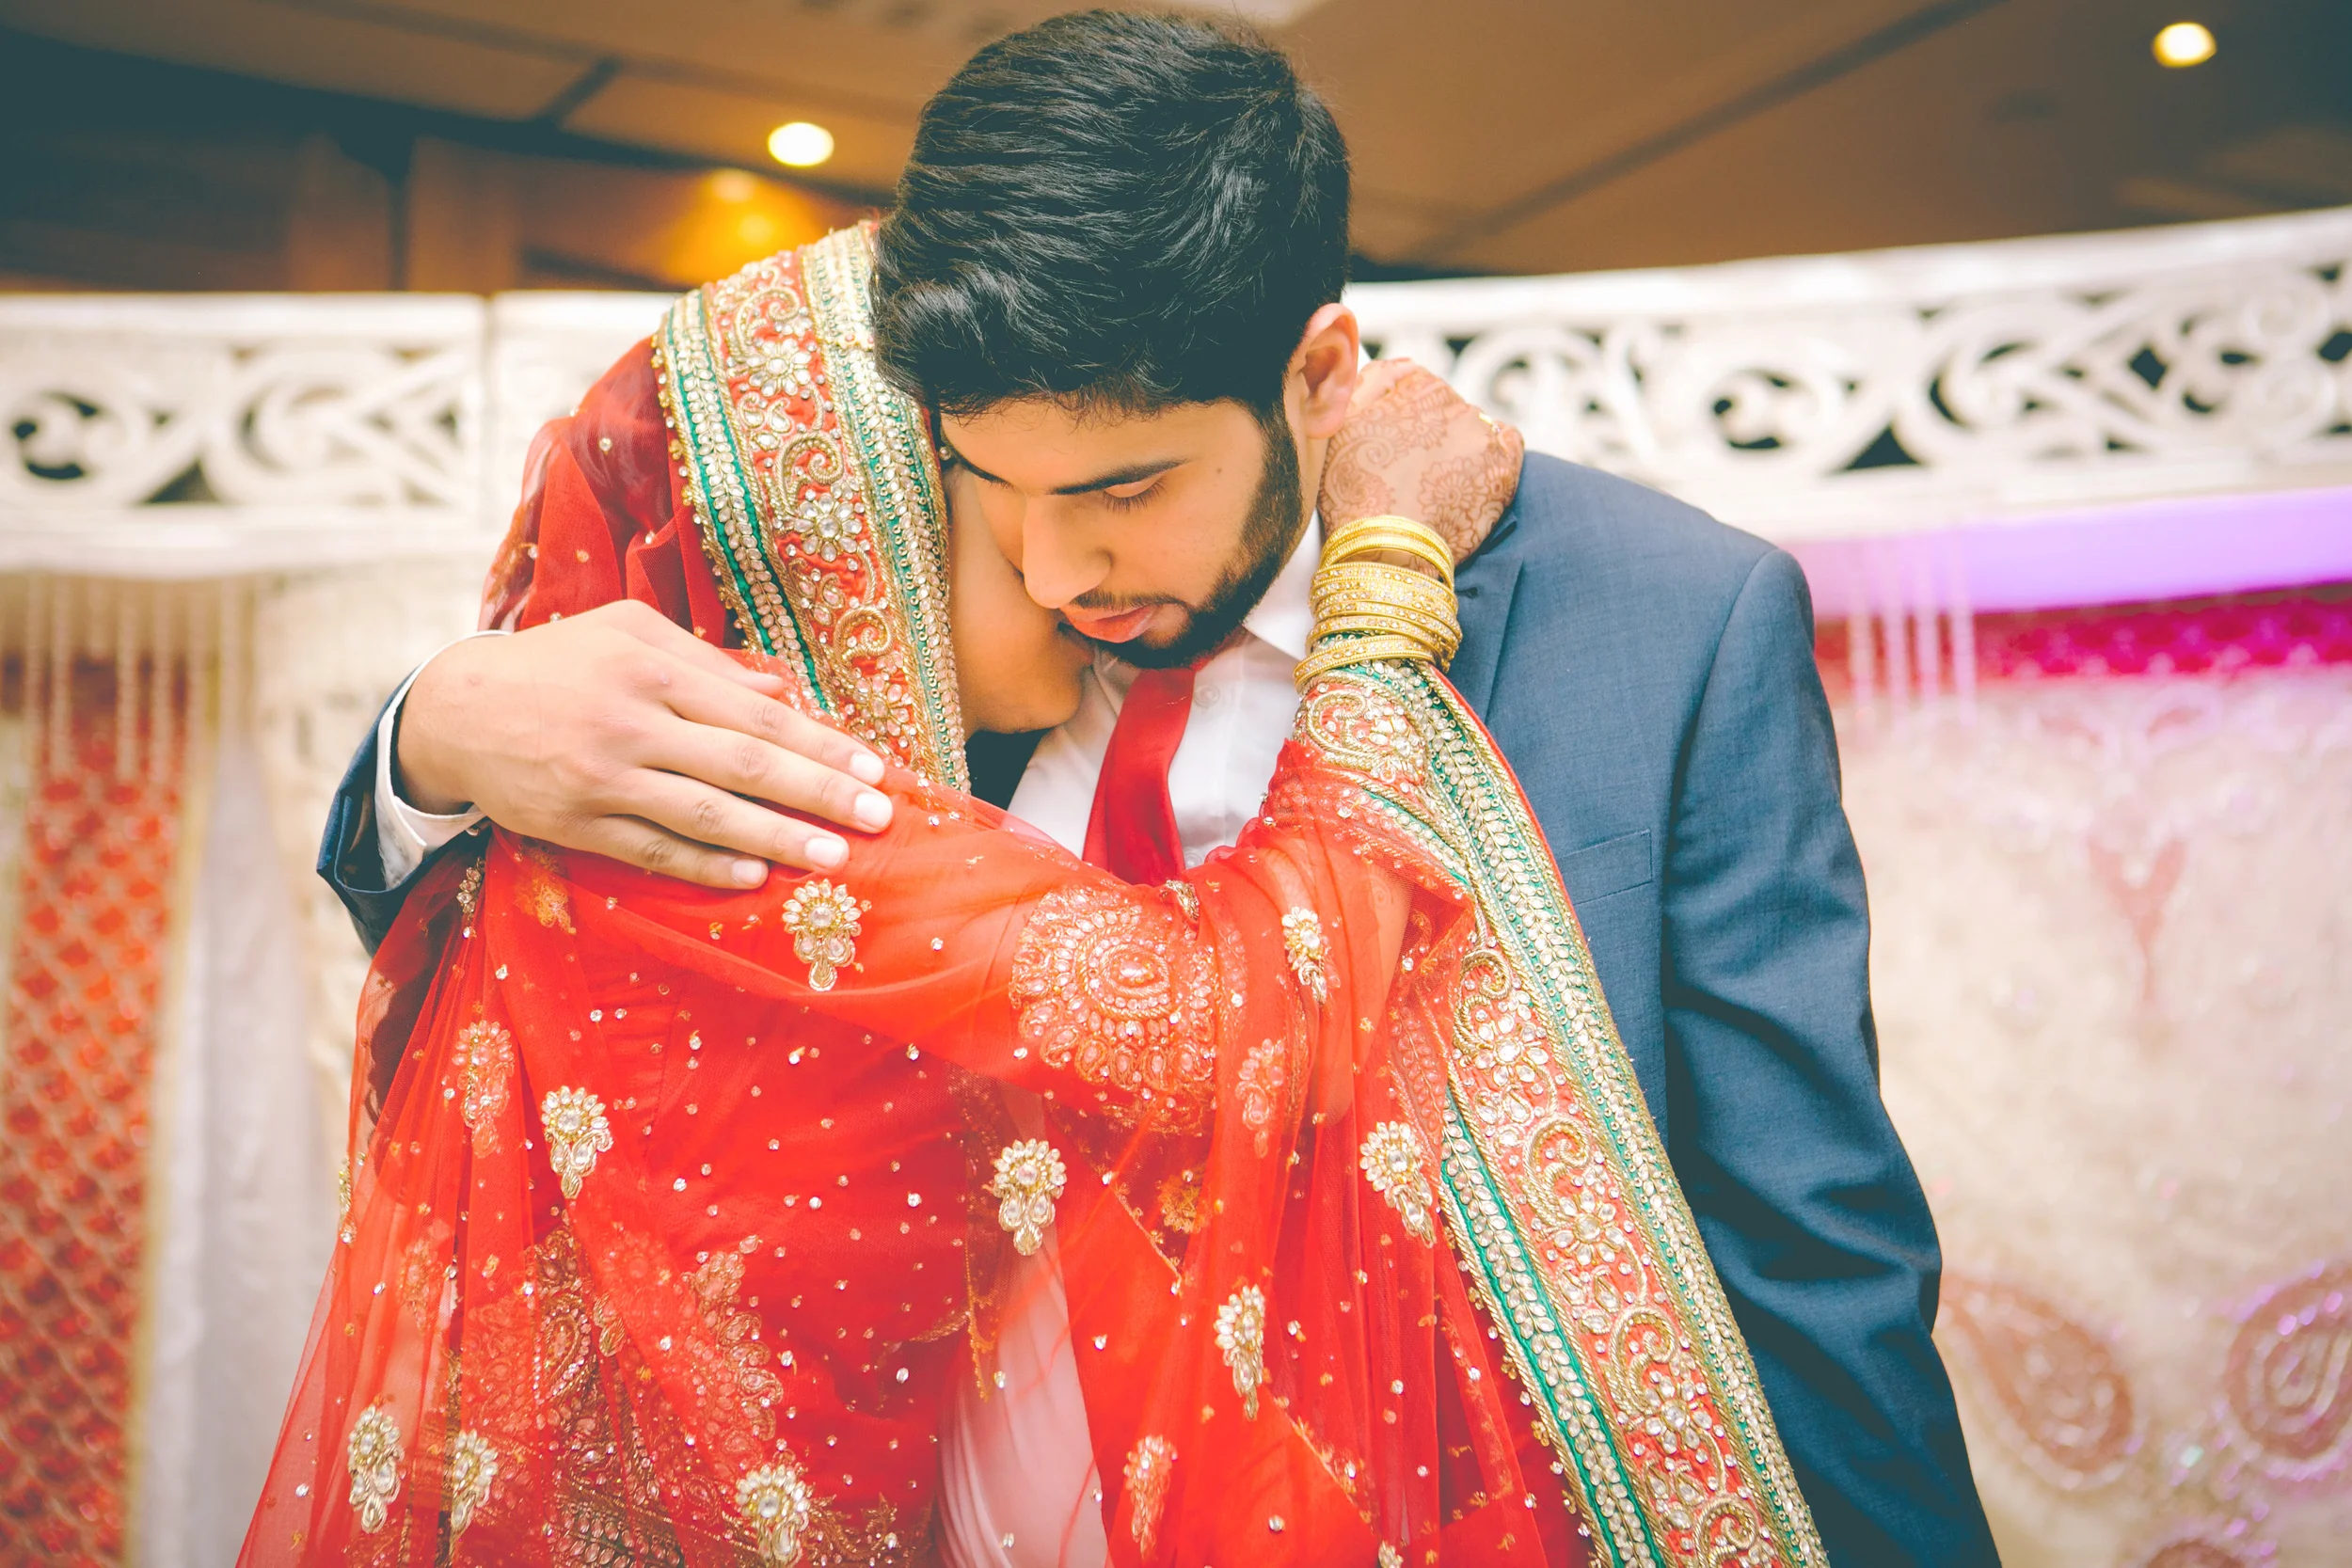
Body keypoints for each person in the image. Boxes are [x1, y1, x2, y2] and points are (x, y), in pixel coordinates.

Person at [317, 14, 1995, 1565]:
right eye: (997, 481)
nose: (1055, 565)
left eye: (1126, 489)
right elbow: (543, 964)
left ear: (1320, 375)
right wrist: (430, 729)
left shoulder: (1659, 620)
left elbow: (1814, 1263)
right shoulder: (890, 571)